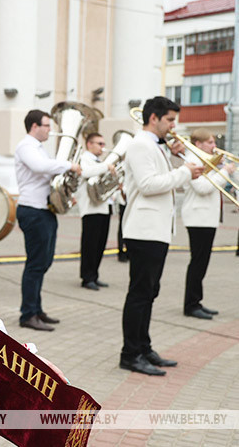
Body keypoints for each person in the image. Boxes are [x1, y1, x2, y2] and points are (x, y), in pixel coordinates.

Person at [120, 96, 203, 376]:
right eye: (169, 120)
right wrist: (183, 172)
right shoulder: (140, 144)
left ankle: (143, 347)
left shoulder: (154, 146)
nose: (173, 126)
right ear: (153, 118)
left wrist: (178, 160)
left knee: (149, 292)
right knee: (140, 294)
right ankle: (130, 353)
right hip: (143, 230)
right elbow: (147, 185)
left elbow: (163, 181)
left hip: (155, 231)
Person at [14, 109, 81, 331]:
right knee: (35, 264)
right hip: (32, 210)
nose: (50, 130)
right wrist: (69, 166)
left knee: (43, 262)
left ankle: (36, 309)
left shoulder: (38, 148)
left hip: (44, 209)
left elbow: (48, 175)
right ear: (34, 126)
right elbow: (40, 167)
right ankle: (28, 314)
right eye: (47, 126)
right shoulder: (26, 146)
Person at [180, 129, 235, 319]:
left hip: (206, 218)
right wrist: (224, 171)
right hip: (198, 218)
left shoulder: (204, 161)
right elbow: (202, 187)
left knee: (201, 263)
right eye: (210, 143)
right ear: (198, 144)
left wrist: (219, 169)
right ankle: (191, 305)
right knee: (197, 263)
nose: (214, 146)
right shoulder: (192, 161)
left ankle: (196, 301)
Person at [77, 132, 116, 291]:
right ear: (89, 144)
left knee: (100, 244)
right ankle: (87, 278)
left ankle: (94, 274)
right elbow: (85, 172)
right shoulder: (84, 158)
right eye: (99, 143)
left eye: (103, 143)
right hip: (90, 208)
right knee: (90, 244)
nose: (103, 147)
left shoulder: (98, 161)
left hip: (103, 206)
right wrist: (106, 166)